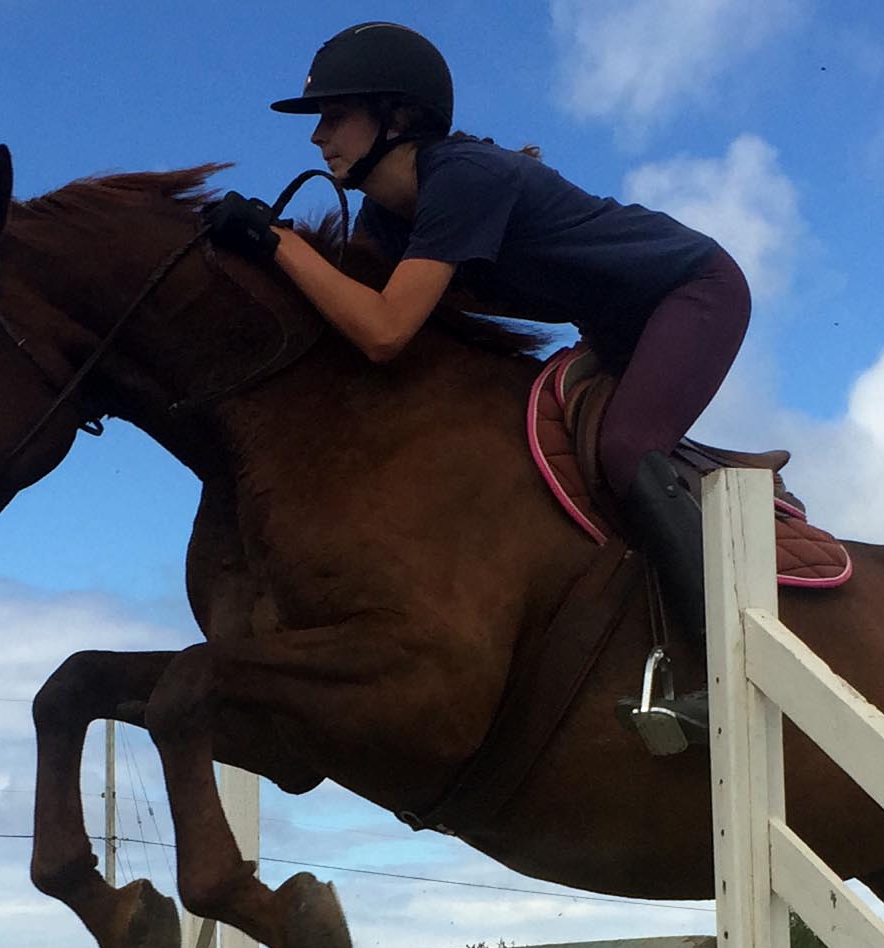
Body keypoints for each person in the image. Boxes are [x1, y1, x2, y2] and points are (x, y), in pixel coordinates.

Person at [204, 20, 750, 729]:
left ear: (397, 117)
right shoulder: (385, 215)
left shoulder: (461, 177)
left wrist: (274, 241)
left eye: (334, 117)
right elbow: (351, 313)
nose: (317, 137)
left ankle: (729, 669)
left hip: (692, 292)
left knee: (622, 448)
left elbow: (384, 332)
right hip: (611, 330)